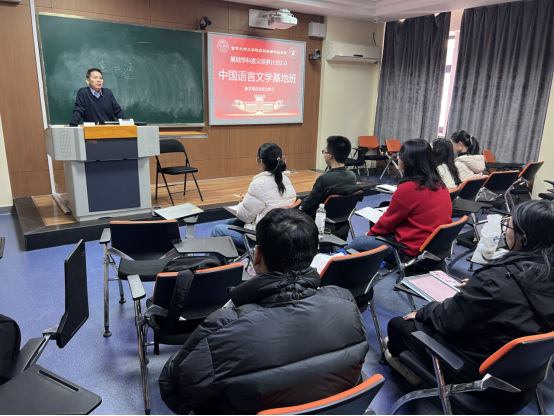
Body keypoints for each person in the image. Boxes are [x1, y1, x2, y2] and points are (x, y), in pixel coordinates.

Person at [159, 208, 370, 415]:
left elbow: (173, 387)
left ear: (257, 255)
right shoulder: (346, 303)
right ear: (313, 255)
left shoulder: (224, 326)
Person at [386, 200, 554, 386]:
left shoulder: (495, 280)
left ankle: (408, 365)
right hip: (521, 371)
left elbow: (448, 321)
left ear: (524, 239)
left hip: (480, 370)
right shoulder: (541, 273)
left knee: (398, 325)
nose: (505, 231)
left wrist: (423, 313)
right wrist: (478, 287)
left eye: (508, 226)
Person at [346, 139, 452, 263]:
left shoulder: (409, 188)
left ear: (408, 161)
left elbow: (387, 224)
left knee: (357, 243)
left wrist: (369, 234)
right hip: (434, 250)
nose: (398, 159)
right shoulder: (439, 184)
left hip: (411, 254)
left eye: (400, 156)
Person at [211, 143, 296, 249]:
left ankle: (213, 260)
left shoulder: (258, 184)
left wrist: (242, 203)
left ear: (261, 161)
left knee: (217, 230)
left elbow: (244, 216)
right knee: (229, 223)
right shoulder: (285, 180)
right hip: (281, 233)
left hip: (262, 238)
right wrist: (250, 199)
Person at [299, 135, 357, 218]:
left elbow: (307, 205)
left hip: (320, 219)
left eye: (324, 152)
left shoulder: (324, 179)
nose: (324, 154)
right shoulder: (352, 176)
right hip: (343, 218)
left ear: (329, 156)